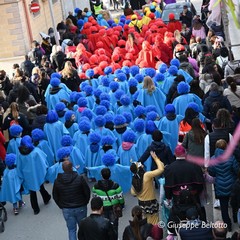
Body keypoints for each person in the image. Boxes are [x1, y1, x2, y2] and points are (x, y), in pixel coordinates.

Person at [53, 160, 90, 240]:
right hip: (80, 207)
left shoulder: (57, 181)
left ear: (62, 168)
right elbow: (87, 192)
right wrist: (85, 202)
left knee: (71, 230)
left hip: (67, 209)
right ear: (72, 168)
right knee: (83, 228)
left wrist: (61, 205)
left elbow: (55, 196)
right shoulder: (80, 178)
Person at [208, 139, 239, 232]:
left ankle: (228, 225)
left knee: (224, 208)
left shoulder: (213, 159)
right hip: (232, 185)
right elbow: (237, 170)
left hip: (220, 186)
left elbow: (211, 172)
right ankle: (235, 217)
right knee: (234, 203)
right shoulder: (231, 157)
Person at [17, 135, 51, 214]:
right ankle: (46, 198)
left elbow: (19, 166)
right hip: (36, 173)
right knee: (40, 186)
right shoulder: (35, 151)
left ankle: (36, 209)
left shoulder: (20, 154)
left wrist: (21, 176)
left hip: (27, 176)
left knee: (32, 192)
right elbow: (43, 161)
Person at [130, 151, 164, 224]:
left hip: (141, 204)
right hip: (151, 203)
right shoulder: (147, 175)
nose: (142, 166)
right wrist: (156, 158)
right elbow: (161, 169)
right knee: (154, 222)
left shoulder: (134, 179)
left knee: (145, 222)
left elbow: (133, 193)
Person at [92, 167, 124, 237]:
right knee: (114, 226)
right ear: (110, 175)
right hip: (114, 208)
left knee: (103, 226)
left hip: (102, 208)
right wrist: (121, 205)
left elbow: (94, 197)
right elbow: (120, 198)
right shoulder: (116, 186)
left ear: (101, 175)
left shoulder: (96, 186)